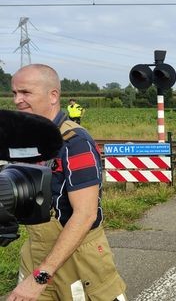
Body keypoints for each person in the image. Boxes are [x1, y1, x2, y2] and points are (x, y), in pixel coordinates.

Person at [9, 64, 127, 301]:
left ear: (53, 96)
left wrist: (40, 277)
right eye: (14, 93)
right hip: (36, 250)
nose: (17, 100)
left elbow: (85, 215)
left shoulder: (75, 142)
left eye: (25, 92)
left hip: (79, 257)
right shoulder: (27, 140)